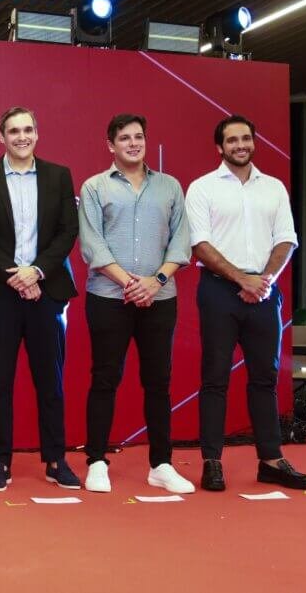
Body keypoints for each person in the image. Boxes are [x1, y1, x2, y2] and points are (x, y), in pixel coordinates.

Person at [185, 114, 306, 491]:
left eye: (245, 138)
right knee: (215, 379)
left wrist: (264, 281)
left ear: (253, 142)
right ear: (219, 147)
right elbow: (200, 244)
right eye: (232, 140)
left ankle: (271, 460)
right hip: (218, 292)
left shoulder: (273, 188)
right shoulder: (202, 188)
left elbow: (286, 239)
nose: (240, 145)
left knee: (265, 379)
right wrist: (241, 279)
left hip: (263, 293)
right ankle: (212, 462)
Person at [0, 106, 80, 492]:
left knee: (51, 380)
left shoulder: (58, 175)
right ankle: (0, 462)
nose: (22, 137)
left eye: (28, 129)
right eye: (13, 131)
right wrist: (15, 275)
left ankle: (56, 460)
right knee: (0, 381)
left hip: (46, 290)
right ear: (2, 137)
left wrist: (37, 271)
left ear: (37, 133)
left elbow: (67, 231)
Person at [78, 114, 194, 494]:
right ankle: (96, 461)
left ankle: (161, 464)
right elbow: (92, 245)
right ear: (110, 145)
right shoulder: (95, 187)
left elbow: (181, 243)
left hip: (159, 298)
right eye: (125, 138)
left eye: (139, 136)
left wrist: (154, 282)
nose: (133, 143)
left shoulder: (170, 186)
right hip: (108, 298)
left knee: (158, 382)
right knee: (105, 378)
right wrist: (130, 283)